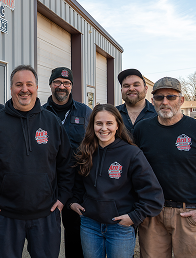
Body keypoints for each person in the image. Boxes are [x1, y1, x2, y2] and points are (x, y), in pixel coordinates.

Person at [0, 65, 73, 258]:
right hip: (5, 215)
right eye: (18, 84)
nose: (24, 89)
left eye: (29, 84)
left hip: (46, 214)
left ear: (37, 87)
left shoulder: (52, 123)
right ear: (10, 88)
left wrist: (62, 198)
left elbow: (66, 164)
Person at [133, 77, 196, 258]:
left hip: (190, 214)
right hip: (152, 213)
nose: (165, 102)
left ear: (181, 100)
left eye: (171, 97)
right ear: (152, 101)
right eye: (159, 97)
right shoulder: (142, 129)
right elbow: (133, 168)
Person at [69, 104, 164, 258]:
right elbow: (77, 183)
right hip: (89, 224)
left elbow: (153, 194)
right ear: (92, 125)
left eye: (109, 123)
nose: (103, 128)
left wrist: (134, 217)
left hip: (119, 226)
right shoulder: (86, 151)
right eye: (99, 123)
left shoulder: (132, 153)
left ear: (118, 125)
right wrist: (73, 201)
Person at [42, 66, 92, 258]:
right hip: (48, 183)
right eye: (57, 82)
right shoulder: (40, 112)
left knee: (74, 234)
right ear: (50, 85)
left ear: (71, 86)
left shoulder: (85, 112)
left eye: (66, 83)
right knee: (46, 233)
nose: (61, 86)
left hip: (77, 184)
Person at [116, 69, 156, 135]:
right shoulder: (113, 114)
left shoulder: (158, 114)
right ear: (121, 91)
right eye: (126, 86)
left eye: (136, 85)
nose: (131, 89)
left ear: (146, 89)